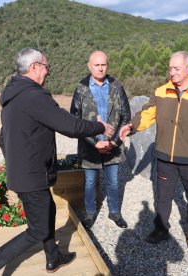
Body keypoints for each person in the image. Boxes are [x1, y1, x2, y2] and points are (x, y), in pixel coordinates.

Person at [0, 48, 114, 276]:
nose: (48, 72)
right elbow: (70, 126)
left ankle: (53, 257)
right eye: (47, 67)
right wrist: (100, 127)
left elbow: (3, 139)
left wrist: (19, 162)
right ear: (34, 67)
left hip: (27, 173)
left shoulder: (13, 97)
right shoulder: (33, 97)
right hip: (32, 175)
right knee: (38, 229)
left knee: (46, 211)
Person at [120, 51, 188, 250]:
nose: (172, 73)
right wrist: (131, 126)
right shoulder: (161, 92)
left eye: (176, 68)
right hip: (164, 158)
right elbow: (147, 113)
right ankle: (161, 229)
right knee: (163, 196)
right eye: (170, 68)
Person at [70, 50, 131, 229]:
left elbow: (126, 116)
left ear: (107, 65)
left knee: (113, 181)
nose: (100, 68)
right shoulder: (81, 88)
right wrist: (95, 142)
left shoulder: (117, 86)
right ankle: (90, 213)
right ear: (89, 66)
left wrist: (114, 142)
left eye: (103, 64)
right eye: (96, 65)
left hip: (113, 145)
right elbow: (74, 120)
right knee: (89, 182)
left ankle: (115, 212)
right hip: (90, 146)